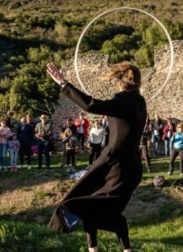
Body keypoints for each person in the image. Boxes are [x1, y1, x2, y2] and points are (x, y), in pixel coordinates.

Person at [47, 61, 146, 252]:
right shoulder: (139, 102)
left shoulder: (123, 102)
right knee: (106, 206)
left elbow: (91, 105)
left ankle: (99, 248)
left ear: (119, 81)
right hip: (132, 164)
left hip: (116, 164)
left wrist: (63, 84)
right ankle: (106, 249)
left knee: (80, 202)